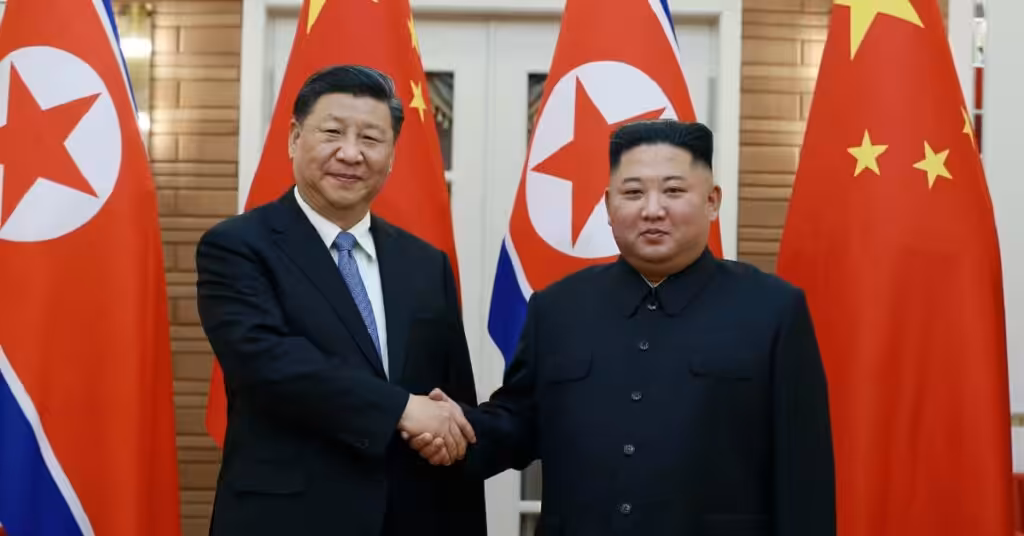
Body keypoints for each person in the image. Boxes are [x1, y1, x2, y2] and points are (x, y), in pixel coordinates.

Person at [412, 119, 836, 535]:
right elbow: (519, 424)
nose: (652, 210)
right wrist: (455, 426)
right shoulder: (556, 308)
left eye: (673, 190)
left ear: (712, 201)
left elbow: (804, 473)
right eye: (633, 193)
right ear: (608, 205)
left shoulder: (772, 310)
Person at [196, 65, 486, 536]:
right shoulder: (238, 246)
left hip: (412, 516)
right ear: (294, 138)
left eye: (371, 139)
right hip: (287, 519)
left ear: (391, 155)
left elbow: (450, 399)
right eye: (332, 132)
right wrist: (400, 408)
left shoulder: (425, 263)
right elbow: (268, 363)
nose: (350, 154)